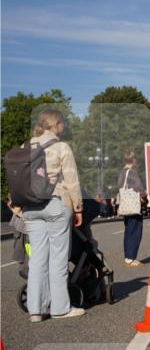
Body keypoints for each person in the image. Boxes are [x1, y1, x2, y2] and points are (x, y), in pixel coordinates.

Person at [20, 109, 86, 321]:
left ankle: (35, 310)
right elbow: (71, 180)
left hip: (30, 208)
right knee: (58, 259)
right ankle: (60, 308)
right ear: (56, 124)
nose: (63, 127)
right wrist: (78, 207)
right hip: (55, 204)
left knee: (37, 259)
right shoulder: (61, 146)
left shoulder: (26, 146)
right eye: (62, 124)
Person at [117, 152, 146, 267]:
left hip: (126, 206)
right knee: (135, 232)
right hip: (133, 207)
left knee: (128, 231)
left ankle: (128, 256)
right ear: (133, 160)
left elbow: (120, 186)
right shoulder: (132, 173)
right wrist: (144, 197)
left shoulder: (122, 173)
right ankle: (131, 257)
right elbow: (138, 186)